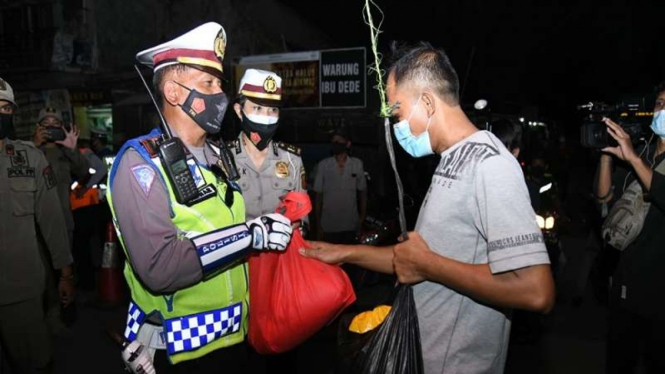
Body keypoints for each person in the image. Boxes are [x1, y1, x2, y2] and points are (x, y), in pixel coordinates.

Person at [300, 42, 555, 374]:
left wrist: (430, 265)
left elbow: (537, 290)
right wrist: (343, 253)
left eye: (397, 112)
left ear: (427, 102)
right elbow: (413, 261)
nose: (396, 125)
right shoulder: (451, 160)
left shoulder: (490, 164)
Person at [106, 22, 293, 373]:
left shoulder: (219, 156)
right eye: (208, 83)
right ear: (174, 93)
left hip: (236, 340)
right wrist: (250, 235)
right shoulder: (139, 164)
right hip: (179, 351)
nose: (220, 94)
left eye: (220, 83)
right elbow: (159, 267)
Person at [226, 68, 305, 372]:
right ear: (238, 109)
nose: (266, 116)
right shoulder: (222, 161)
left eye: (272, 109)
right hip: (238, 277)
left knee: (282, 356)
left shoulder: (292, 161)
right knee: (241, 357)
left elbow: (301, 221)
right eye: (257, 107)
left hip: (280, 279)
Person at [0, 77, 75, 374]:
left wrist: (65, 272)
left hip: (20, 291)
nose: (1, 112)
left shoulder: (29, 158)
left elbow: (52, 220)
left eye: (5, 107)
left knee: (35, 364)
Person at [595, 82, 665, 374]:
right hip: (625, 285)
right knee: (618, 363)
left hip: (660, 296)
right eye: (661, 102)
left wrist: (634, 159)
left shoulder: (638, 158)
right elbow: (605, 202)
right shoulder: (640, 152)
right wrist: (606, 156)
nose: (664, 109)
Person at [32, 106, 89, 331]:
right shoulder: (29, 151)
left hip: (64, 222)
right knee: (42, 274)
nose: (52, 126)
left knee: (66, 271)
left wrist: (73, 149)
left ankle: (67, 309)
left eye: (56, 122)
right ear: (39, 127)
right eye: (46, 122)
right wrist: (36, 145)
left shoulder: (66, 152)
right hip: (35, 225)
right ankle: (49, 313)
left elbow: (84, 172)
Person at [313, 128, 367, 243]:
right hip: (328, 225)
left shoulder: (357, 164)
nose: (335, 144)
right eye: (333, 142)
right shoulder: (323, 165)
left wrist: (362, 218)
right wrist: (318, 225)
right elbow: (318, 197)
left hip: (351, 224)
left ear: (347, 144)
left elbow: (363, 192)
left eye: (339, 141)